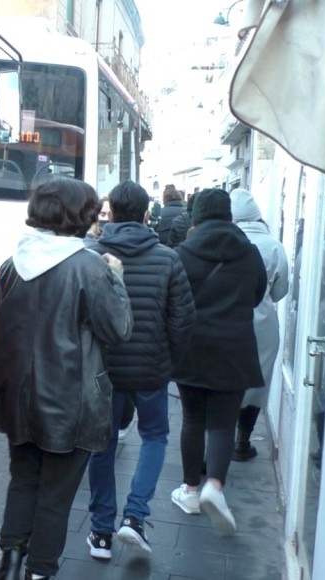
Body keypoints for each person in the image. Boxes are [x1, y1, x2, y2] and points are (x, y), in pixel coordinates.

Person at [0, 176, 132, 580]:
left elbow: (2, 328)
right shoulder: (90, 268)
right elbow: (118, 329)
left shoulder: (11, 265)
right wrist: (117, 278)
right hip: (72, 402)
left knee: (23, 480)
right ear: (81, 217)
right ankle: (40, 571)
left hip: (17, 397)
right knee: (55, 495)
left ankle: (11, 562)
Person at [85, 181, 196, 560]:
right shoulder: (167, 259)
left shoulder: (92, 255)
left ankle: (101, 532)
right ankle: (135, 516)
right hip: (151, 368)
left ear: (111, 213)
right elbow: (183, 321)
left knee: (102, 445)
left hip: (103, 369)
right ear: (147, 215)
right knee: (154, 437)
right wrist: (168, 360)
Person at [168, 188, 267, 535]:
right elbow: (257, 295)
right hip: (235, 349)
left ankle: (191, 491)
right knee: (223, 424)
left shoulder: (181, 254)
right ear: (228, 215)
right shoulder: (249, 253)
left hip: (191, 348)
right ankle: (215, 486)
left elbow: (172, 301)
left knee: (193, 419)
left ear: (197, 216)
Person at [229, 189, 289, 461]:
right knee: (257, 384)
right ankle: (242, 441)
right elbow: (280, 291)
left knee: (225, 381)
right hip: (262, 325)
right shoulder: (273, 246)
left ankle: (218, 441)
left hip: (225, 320)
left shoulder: (226, 242)